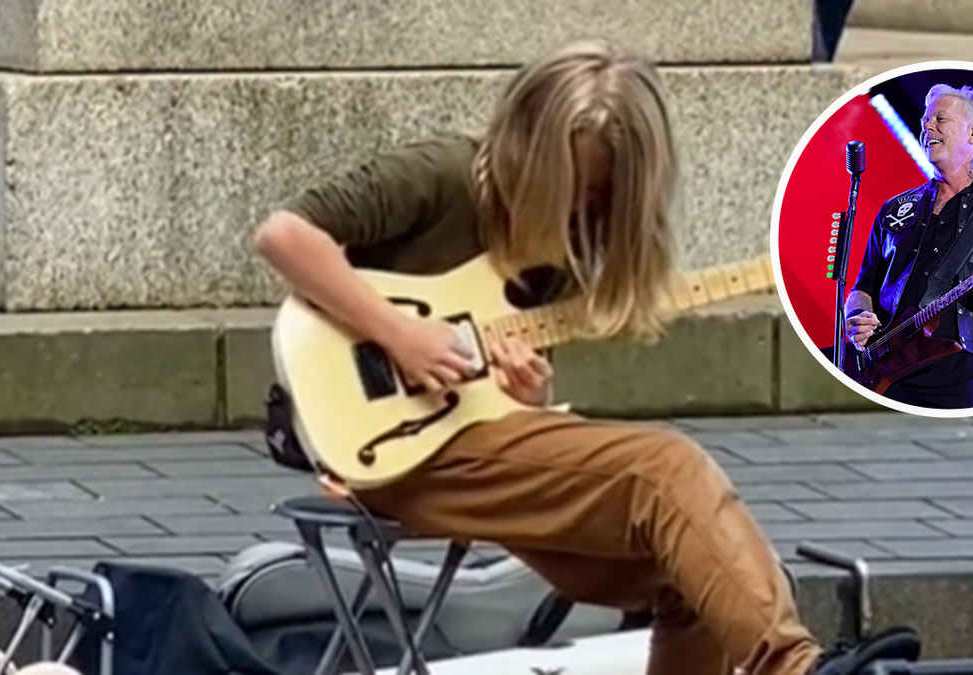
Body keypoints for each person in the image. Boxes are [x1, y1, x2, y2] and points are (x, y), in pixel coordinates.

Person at [252, 40, 920, 675]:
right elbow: (284, 235)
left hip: (470, 440)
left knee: (699, 573)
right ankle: (796, 667)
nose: (581, 205)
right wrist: (399, 334)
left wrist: (526, 397)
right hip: (391, 447)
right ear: (529, 146)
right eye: (573, 184)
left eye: (599, 196)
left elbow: (500, 409)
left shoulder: (572, 244)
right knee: (664, 468)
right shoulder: (444, 174)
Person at [844, 83, 973, 410]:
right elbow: (862, 287)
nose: (927, 126)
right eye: (925, 119)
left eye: (940, 119)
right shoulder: (896, 208)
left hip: (960, 368)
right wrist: (858, 315)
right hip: (882, 366)